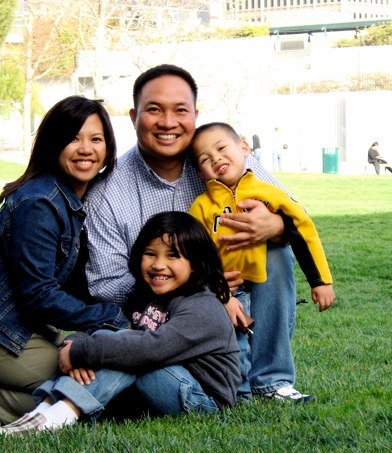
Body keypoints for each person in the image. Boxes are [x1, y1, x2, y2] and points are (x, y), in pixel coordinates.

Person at [84, 64, 317, 402]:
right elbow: (107, 286)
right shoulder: (108, 193)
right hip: (165, 319)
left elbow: (296, 214)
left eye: (180, 110)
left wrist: (277, 226)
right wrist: (201, 293)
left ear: (195, 114)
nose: (168, 122)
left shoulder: (225, 158)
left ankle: (271, 380)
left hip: (242, 292)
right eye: (154, 110)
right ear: (134, 115)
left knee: (275, 249)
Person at [0, 96, 129, 427]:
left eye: (95, 139)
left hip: (26, 330)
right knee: (90, 394)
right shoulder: (39, 204)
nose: (85, 148)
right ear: (52, 145)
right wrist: (110, 316)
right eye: (73, 138)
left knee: (97, 382)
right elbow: (40, 296)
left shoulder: (69, 199)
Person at [0, 211, 241, 435]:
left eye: (173, 256)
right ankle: (43, 412)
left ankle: (56, 417)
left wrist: (84, 352)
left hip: (202, 399)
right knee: (124, 347)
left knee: (131, 353)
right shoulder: (148, 296)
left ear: (196, 265)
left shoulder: (202, 307)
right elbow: (118, 332)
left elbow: (150, 349)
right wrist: (78, 343)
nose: (158, 265)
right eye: (150, 254)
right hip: (161, 383)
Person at [188, 121, 335, 322]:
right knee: (236, 350)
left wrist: (320, 281)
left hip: (265, 287)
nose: (216, 158)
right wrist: (218, 289)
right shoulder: (201, 206)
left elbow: (303, 229)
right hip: (225, 291)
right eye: (205, 159)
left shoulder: (270, 193)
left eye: (221, 148)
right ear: (200, 175)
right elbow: (194, 254)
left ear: (244, 148)